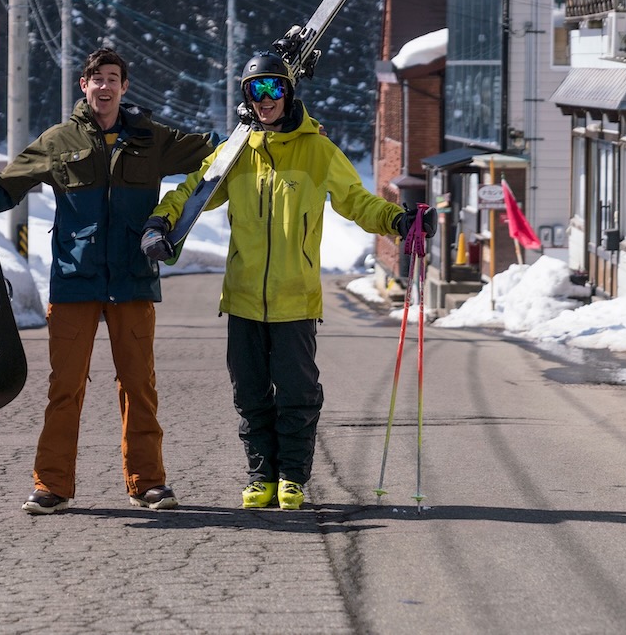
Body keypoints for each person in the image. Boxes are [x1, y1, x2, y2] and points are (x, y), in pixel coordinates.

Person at [142, 49, 435, 511]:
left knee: (297, 396)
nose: (266, 98)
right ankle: (261, 475)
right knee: (250, 395)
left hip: (295, 302)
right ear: (246, 97)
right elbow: (191, 192)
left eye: (274, 87)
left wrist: (399, 222)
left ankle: (292, 478)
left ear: (288, 91)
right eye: (256, 90)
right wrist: (159, 223)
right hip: (241, 300)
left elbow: (357, 201)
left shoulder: (317, 150)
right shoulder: (235, 153)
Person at [0, 47, 214, 515]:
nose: (104, 85)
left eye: (113, 78)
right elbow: (4, 186)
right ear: (84, 86)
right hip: (74, 283)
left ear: (124, 87)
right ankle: (51, 485)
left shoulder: (152, 139)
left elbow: (216, 148)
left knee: (139, 385)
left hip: (133, 281)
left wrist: (268, 129)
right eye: (96, 77)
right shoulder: (58, 141)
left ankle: (148, 483)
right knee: (65, 387)